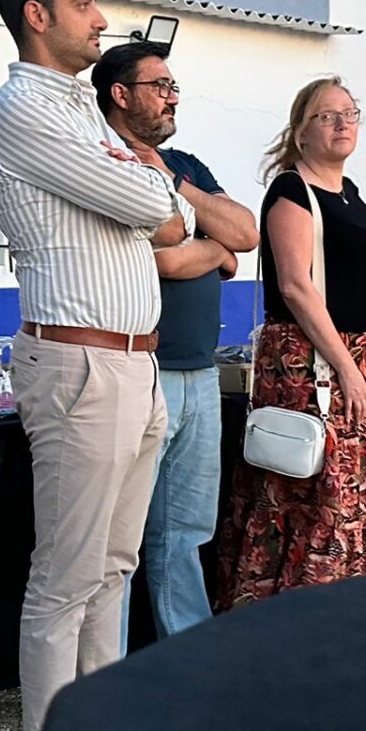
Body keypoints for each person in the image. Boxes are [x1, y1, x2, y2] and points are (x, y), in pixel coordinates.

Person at [0, 0, 196, 731]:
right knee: (67, 580)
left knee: (115, 568)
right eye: (83, 3)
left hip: (133, 362)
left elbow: (168, 215)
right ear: (37, 16)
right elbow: (152, 200)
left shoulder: (76, 109)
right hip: (80, 362)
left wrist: (153, 190)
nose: (101, 18)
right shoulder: (23, 110)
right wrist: (149, 184)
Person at [94, 40, 258, 638]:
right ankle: (103, 666)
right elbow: (154, 260)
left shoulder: (184, 164)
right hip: (141, 371)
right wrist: (213, 251)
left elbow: (245, 232)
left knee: (186, 530)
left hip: (201, 373)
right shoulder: (102, 160)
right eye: (159, 87)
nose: (171, 98)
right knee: (118, 537)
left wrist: (179, 185)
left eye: (173, 88)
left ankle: (184, 653)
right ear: (120, 94)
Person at [219, 77, 366, 601]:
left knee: (356, 485)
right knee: (315, 485)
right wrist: (345, 365)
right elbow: (297, 286)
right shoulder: (292, 190)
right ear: (300, 132)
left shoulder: (349, 192)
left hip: (359, 355)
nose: (343, 122)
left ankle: (352, 600)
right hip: (314, 363)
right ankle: (301, 607)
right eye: (327, 115)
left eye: (350, 113)